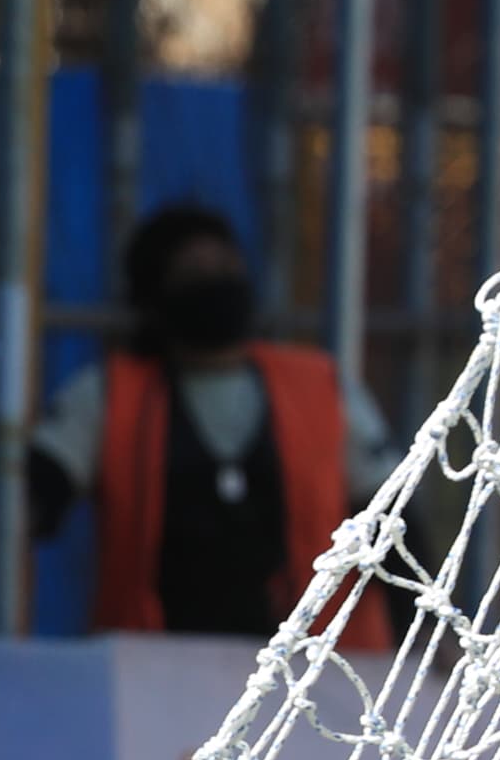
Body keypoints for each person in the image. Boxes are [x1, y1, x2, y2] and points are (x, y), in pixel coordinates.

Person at [28, 200, 401, 648]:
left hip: (312, 668)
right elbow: (37, 494)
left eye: (224, 266)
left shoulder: (319, 386)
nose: (214, 284)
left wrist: (426, 631)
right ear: (154, 293)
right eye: (191, 272)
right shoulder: (111, 394)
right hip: (159, 669)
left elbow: (392, 517)